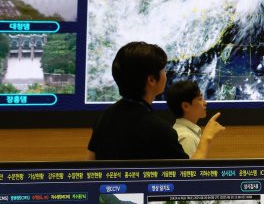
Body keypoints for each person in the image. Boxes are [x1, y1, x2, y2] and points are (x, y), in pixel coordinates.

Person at [87, 42, 224, 160]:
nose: (166, 73)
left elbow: (89, 166)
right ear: (151, 80)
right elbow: (187, 175)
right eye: (163, 70)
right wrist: (206, 138)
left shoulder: (104, 117)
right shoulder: (160, 130)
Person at [166, 80, 214, 157]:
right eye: (200, 99)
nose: (205, 103)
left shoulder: (184, 131)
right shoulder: (187, 138)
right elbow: (193, 165)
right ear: (186, 106)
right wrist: (207, 137)